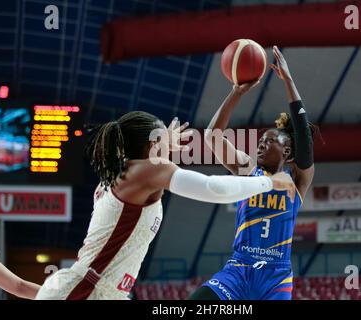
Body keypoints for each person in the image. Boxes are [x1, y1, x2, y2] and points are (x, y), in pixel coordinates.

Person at [35, 111, 296, 300]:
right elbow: (213, 189)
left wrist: (160, 147)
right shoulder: (146, 171)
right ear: (150, 143)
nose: (170, 145)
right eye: (162, 138)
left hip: (96, 289)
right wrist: (271, 183)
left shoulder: (124, 174)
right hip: (88, 291)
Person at [189, 46, 315, 300]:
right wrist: (236, 93)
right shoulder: (247, 171)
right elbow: (213, 136)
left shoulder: (297, 181)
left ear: (288, 154)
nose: (260, 144)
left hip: (275, 277)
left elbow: (304, 135)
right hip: (238, 270)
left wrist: (288, 81)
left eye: (269, 142)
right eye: (260, 140)